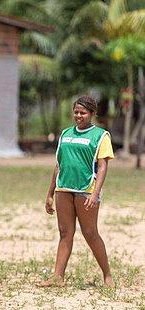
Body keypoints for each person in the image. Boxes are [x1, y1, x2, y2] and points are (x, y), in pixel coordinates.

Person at [41, 95, 115, 288]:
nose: (78, 115)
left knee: (90, 233)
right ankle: (58, 277)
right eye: (76, 112)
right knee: (65, 232)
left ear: (92, 114)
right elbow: (58, 165)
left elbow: (103, 166)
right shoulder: (65, 134)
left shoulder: (101, 136)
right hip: (63, 188)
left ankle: (107, 275)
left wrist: (95, 193)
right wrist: (50, 193)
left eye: (83, 112)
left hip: (86, 189)